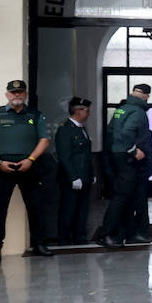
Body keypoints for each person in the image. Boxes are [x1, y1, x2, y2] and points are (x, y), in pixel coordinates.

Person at [0, 79, 56, 259]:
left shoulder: (36, 115)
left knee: (36, 207)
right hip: (2, 167)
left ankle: (39, 244)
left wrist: (30, 159)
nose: (17, 95)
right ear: (7, 95)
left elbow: (44, 140)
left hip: (29, 167)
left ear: (26, 94)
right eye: (13, 92)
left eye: (20, 92)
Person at [96, 83, 152, 248]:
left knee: (127, 196)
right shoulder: (138, 111)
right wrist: (133, 150)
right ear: (146, 96)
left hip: (118, 157)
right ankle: (106, 234)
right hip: (127, 160)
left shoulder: (122, 109)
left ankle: (130, 234)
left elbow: (112, 131)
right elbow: (126, 132)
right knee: (121, 197)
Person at [54, 97, 95, 245]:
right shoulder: (65, 129)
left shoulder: (81, 128)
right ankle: (64, 239)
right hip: (71, 177)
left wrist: (91, 174)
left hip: (84, 176)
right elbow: (65, 156)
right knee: (68, 209)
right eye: (87, 111)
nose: (88, 114)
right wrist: (73, 177)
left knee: (82, 209)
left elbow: (86, 154)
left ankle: (80, 237)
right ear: (79, 111)